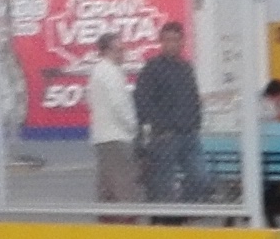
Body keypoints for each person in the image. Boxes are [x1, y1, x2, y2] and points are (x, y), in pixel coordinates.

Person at [131, 35, 204, 206]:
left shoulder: (186, 68)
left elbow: (193, 98)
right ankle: (165, 221)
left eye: (176, 40)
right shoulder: (153, 68)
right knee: (163, 185)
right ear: (161, 43)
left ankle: (183, 211)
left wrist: (196, 122)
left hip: (189, 134)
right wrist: (159, 126)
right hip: (166, 136)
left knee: (201, 178)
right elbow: (142, 100)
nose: (172, 44)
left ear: (182, 43)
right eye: (168, 40)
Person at [82, 36, 141, 202]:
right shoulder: (111, 73)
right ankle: (125, 222)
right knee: (124, 187)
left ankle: (107, 221)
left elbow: (90, 101)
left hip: (103, 136)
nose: (123, 54)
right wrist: (133, 126)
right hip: (117, 137)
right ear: (107, 51)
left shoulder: (97, 72)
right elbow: (119, 105)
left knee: (107, 187)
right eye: (119, 50)